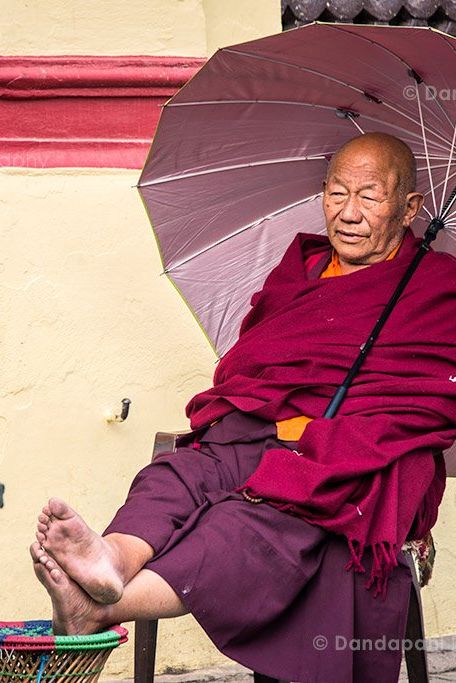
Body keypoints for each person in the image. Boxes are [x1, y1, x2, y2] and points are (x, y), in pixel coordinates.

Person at [31, 133, 456, 683]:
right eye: (336, 193)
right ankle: (111, 558)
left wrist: (335, 429)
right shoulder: (299, 270)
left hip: (341, 455)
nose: (348, 213)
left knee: (247, 521)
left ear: (410, 208)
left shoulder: (437, 289)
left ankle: (104, 609)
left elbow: (433, 400)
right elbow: (246, 366)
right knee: (175, 474)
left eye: (369, 197)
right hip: (253, 431)